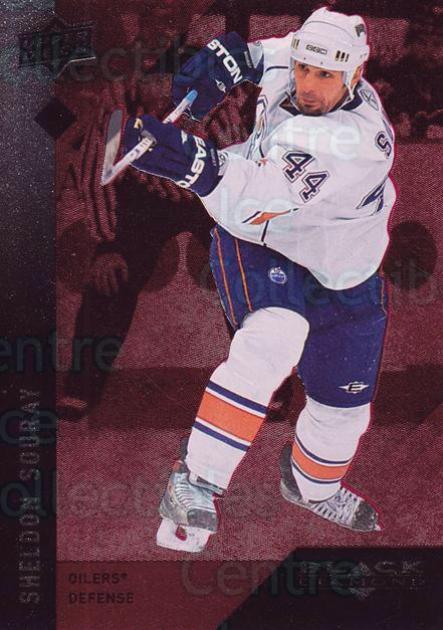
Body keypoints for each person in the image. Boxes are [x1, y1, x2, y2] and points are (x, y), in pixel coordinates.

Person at [121, 7, 396, 552]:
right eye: (304, 69)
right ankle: (195, 481)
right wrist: (234, 60)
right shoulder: (311, 63)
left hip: (341, 264)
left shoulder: (353, 143)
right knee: (273, 338)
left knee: (343, 410)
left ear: (355, 75)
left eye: (325, 75)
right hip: (260, 241)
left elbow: (260, 193)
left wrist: (192, 164)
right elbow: (280, 51)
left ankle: (312, 488)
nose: (308, 85)